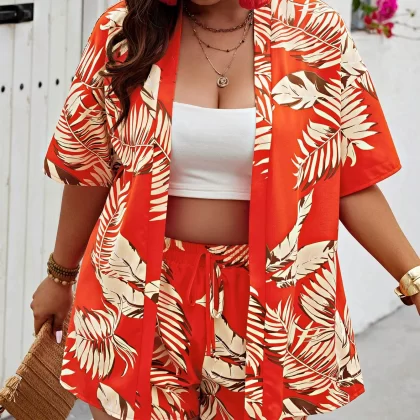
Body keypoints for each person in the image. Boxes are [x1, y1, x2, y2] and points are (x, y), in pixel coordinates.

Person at [30, 0, 420, 419]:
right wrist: (60, 275)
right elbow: (88, 168)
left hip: (271, 303)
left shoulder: (316, 33)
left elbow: (351, 181)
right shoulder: (125, 29)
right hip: (133, 295)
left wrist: (412, 277)